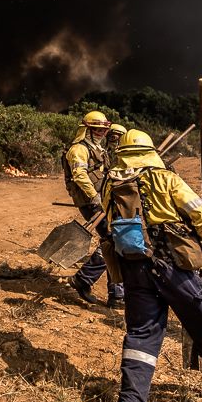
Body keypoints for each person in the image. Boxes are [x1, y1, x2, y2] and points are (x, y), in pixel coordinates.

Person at [105, 129, 202, 402]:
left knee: (141, 337)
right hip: (176, 269)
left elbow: (109, 232)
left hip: (134, 270)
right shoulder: (167, 180)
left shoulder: (113, 184)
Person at [64, 111, 124, 308]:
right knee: (113, 241)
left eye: (103, 129)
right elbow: (79, 175)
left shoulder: (98, 148)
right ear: (87, 129)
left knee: (115, 241)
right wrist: (94, 196)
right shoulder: (78, 149)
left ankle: (116, 295)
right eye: (97, 129)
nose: (101, 132)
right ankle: (83, 279)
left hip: (104, 199)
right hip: (91, 202)